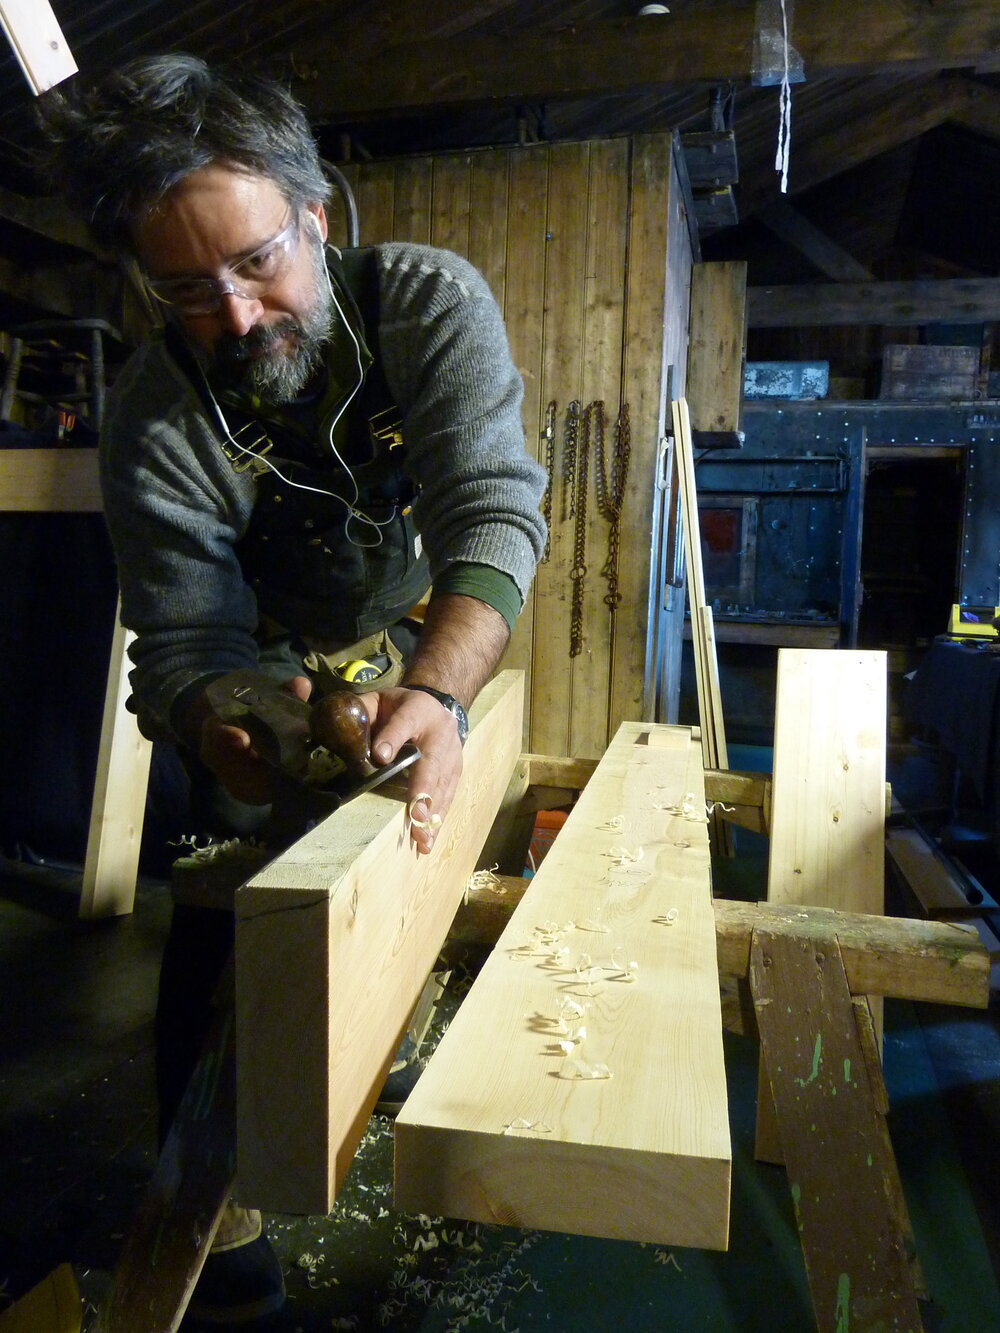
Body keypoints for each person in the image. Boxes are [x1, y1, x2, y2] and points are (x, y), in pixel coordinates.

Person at [40, 54, 546, 1326]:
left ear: (314, 215)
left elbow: (488, 506)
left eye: (259, 261)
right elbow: (186, 643)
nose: (238, 313)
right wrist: (236, 726)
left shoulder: (421, 299)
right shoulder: (159, 412)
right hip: (267, 664)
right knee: (232, 912)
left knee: (399, 885)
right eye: (186, 289)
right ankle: (223, 1246)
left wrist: (434, 688)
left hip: (412, 626)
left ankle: (377, 1071)